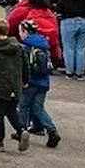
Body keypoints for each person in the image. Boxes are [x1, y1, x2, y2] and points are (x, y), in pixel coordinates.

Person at [0, 19, 30, 152]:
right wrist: (25, 80)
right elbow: (25, 65)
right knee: (12, 111)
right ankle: (21, 130)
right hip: (15, 85)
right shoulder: (18, 47)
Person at [18, 20, 61, 148]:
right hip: (43, 82)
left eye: (20, 31)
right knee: (38, 108)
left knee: (24, 106)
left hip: (30, 82)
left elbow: (23, 66)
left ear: (25, 32)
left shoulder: (26, 46)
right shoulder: (44, 45)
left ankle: (21, 130)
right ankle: (51, 130)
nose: (20, 34)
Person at [6, 0, 62, 69]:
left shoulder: (22, 9)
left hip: (29, 48)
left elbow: (9, 27)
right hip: (49, 49)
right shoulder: (48, 11)